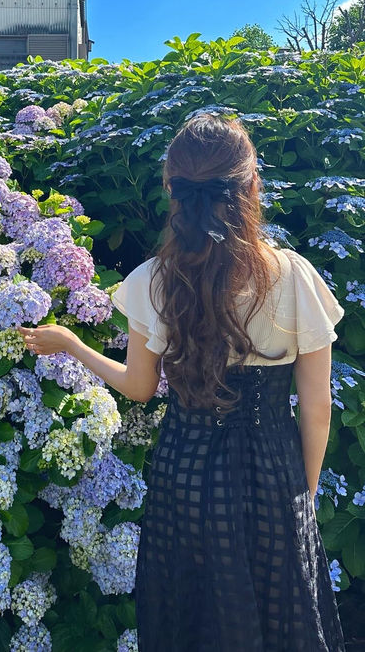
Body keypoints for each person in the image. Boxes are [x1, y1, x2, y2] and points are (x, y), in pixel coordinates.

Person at [18, 113, 347, 651]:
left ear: (171, 189)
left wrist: (75, 347)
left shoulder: (152, 282)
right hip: (273, 472)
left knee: (191, 619)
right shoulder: (295, 276)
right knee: (281, 616)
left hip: (185, 476)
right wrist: (301, 495)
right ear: (251, 186)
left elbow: (139, 388)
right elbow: (316, 408)